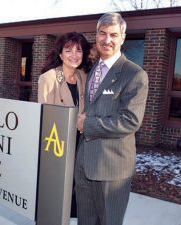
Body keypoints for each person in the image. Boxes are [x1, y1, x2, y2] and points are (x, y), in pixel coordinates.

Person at [76, 12, 148, 225]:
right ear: (96, 35)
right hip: (84, 164)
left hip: (112, 168)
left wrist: (87, 125)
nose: (107, 40)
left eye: (113, 35)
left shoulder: (134, 75)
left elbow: (130, 120)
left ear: (122, 38)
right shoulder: (93, 70)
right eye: (102, 33)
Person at [38, 32, 91, 218]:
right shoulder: (49, 78)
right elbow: (44, 118)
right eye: (68, 50)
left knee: (74, 195)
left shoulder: (83, 76)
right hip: (58, 144)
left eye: (78, 50)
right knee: (57, 197)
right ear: (60, 54)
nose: (74, 55)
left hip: (80, 142)